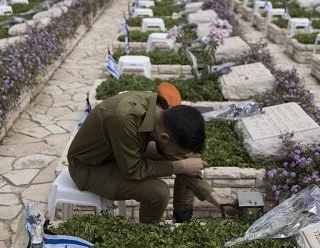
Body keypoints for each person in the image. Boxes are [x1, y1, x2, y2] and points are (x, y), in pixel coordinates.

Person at [67, 83, 233, 224]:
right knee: (158, 192)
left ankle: (183, 220)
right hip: (89, 166)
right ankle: (146, 236)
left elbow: (176, 158)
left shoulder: (158, 109)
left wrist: (215, 199)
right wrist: (179, 166)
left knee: (188, 158)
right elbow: (132, 170)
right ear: (163, 137)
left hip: (119, 152)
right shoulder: (124, 119)